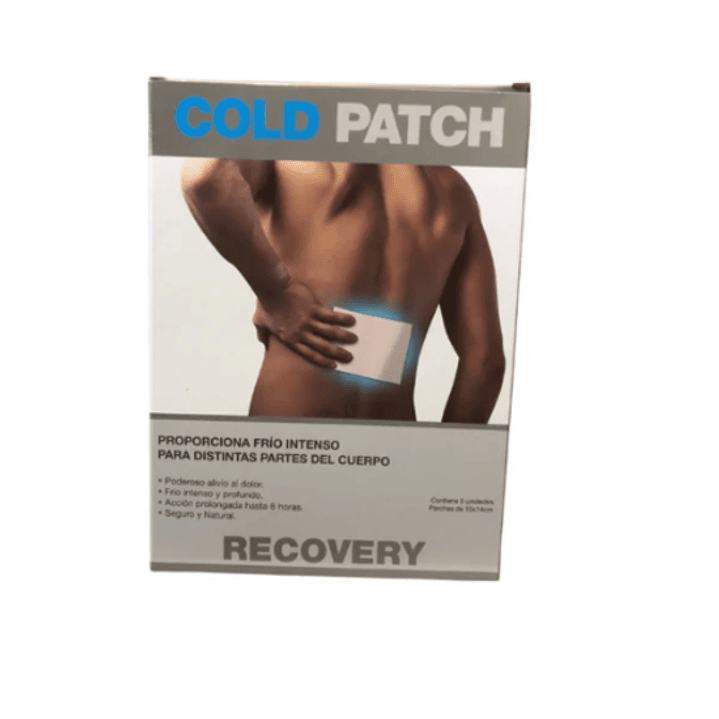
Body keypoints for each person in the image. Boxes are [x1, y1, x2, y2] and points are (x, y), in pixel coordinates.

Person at [180, 160, 504, 422]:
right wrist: (446, 464)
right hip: (391, 444)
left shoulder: (293, 161)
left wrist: (276, 292)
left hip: (293, 432)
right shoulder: (451, 190)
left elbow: (204, 176)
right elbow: (485, 362)